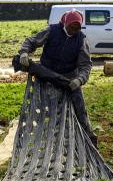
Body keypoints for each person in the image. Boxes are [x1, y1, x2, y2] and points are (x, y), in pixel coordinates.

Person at [19, 10, 98, 147]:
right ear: (65, 24)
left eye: (77, 28)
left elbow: (85, 65)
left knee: (80, 108)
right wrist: (24, 53)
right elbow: (31, 41)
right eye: (71, 27)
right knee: (49, 107)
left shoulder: (81, 39)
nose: (73, 30)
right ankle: (48, 139)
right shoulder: (52, 31)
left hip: (69, 78)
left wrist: (79, 80)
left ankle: (89, 138)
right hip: (47, 75)